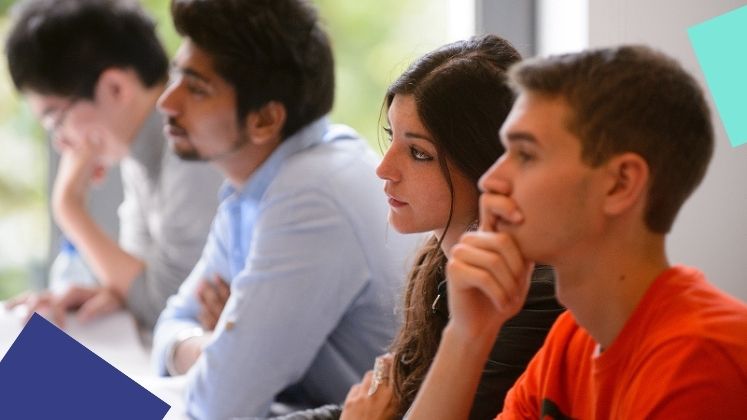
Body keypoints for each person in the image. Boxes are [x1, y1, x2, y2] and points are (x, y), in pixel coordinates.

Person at [406, 45, 747, 419]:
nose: (491, 179)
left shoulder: (701, 363)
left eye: (526, 155)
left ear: (619, 184)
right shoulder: (573, 340)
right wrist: (468, 336)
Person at [151, 0, 421, 418]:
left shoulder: (314, 195)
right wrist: (218, 348)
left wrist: (224, 351)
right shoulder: (256, 183)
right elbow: (171, 324)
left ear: (265, 120)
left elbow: (220, 405)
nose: (167, 101)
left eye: (196, 88)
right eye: (174, 75)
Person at [273, 35, 563, 420]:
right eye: (392, 138)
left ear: (487, 165)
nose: (384, 168)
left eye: (419, 153)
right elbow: (389, 404)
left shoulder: (530, 298)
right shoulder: (438, 261)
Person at [3, 0, 222, 330]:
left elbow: (165, 303)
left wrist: (68, 206)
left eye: (57, 120)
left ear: (115, 88)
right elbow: (138, 278)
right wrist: (109, 293)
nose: (61, 142)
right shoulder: (140, 155)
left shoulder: (191, 148)